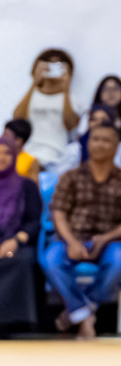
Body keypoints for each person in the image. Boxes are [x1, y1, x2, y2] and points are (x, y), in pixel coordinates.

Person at [40, 122, 121, 339]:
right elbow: (58, 212)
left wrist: (106, 238)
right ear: (88, 144)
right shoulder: (71, 176)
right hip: (73, 238)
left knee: (119, 260)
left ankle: (79, 309)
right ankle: (83, 314)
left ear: (116, 147)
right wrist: (71, 241)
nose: (99, 145)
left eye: (106, 140)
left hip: (111, 240)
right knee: (50, 259)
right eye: (95, 139)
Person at [12, 49, 79, 175]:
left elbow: (71, 125)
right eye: (48, 63)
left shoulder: (70, 99)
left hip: (56, 160)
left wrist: (66, 88)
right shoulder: (31, 95)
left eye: (59, 64)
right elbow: (17, 119)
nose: (53, 68)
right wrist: (35, 83)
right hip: (28, 157)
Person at [0, 136, 42, 331]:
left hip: (14, 242)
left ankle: (12, 323)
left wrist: (15, 241)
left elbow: (34, 221)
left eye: (7, 153)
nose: (2, 157)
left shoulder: (26, 186)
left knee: (17, 260)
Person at [55, 105, 121, 181]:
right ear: (88, 122)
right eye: (94, 119)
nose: (98, 123)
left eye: (103, 119)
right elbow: (61, 179)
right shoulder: (74, 150)